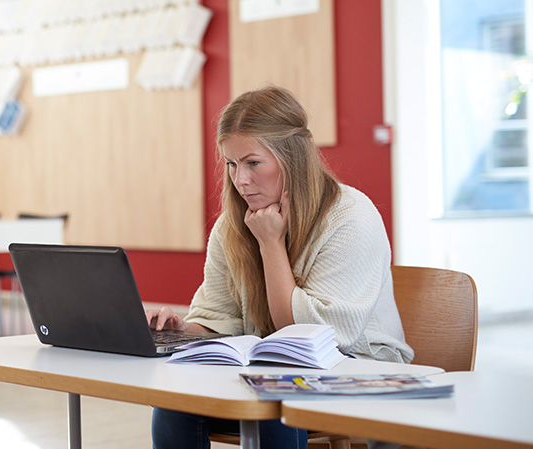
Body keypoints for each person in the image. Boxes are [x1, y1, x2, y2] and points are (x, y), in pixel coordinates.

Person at [145, 86, 413, 449]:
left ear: (292, 158)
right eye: (231, 163)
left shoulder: (351, 216)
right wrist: (184, 330)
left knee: (273, 388)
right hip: (270, 372)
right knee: (176, 402)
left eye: (253, 163)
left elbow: (311, 338)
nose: (240, 180)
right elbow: (220, 317)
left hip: (361, 368)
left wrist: (271, 245)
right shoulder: (232, 225)